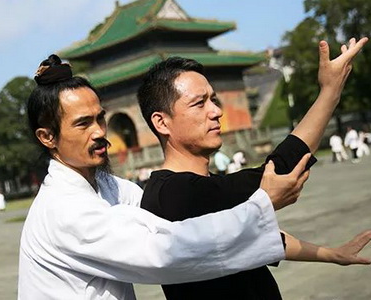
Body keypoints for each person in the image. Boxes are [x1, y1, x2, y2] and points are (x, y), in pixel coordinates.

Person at [18, 54, 310, 299]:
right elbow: (165, 253)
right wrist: (261, 204)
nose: (99, 132)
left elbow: (184, 219)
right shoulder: (63, 210)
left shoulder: (109, 187)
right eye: (83, 124)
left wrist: (327, 253)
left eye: (100, 118)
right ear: (47, 137)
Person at [138, 38, 371, 300]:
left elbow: (261, 235)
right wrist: (330, 91)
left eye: (214, 100)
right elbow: (279, 169)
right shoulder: (174, 195)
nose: (216, 111)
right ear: (162, 122)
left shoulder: (205, 187)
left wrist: (331, 254)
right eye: (199, 103)